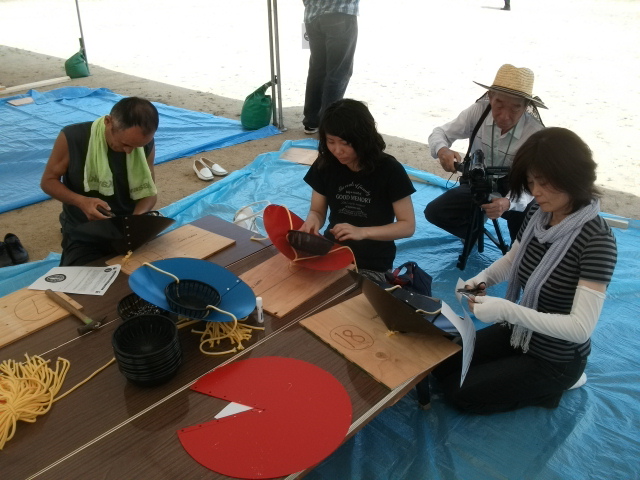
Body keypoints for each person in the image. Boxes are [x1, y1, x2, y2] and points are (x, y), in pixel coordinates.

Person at [432, 127, 618, 414]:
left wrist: (507, 311)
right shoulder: (538, 212)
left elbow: (579, 329)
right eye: (531, 182)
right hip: (521, 332)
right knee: (441, 365)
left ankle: (555, 388)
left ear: (572, 177)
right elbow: (513, 260)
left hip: (555, 357)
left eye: (543, 183)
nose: (536, 192)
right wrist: (482, 279)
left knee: (459, 393)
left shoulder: (597, 241)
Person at [424, 64, 546, 243]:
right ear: (490, 96)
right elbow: (439, 133)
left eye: (515, 108)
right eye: (499, 104)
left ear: (526, 105)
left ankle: (517, 252)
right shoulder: (478, 112)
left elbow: (533, 183)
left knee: (526, 228)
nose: (504, 116)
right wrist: (443, 150)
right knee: (434, 212)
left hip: (515, 186)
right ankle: (473, 232)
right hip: (477, 181)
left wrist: (507, 203)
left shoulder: (535, 133)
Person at [301, 99, 416, 282]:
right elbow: (317, 210)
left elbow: (407, 225)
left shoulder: (389, 170)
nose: (337, 150)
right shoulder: (325, 164)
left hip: (372, 262)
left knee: (350, 294)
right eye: (331, 141)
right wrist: (312, 222)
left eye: (345, 143)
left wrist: (362, 232)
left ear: (363, 138)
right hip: (333, 251)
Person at [41, 97, 159, 266]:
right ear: (108, 122)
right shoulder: (73, 137)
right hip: (85, 229)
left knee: (154, 269)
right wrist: (81, 202)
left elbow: (150, 192)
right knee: (83, 277)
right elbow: (48, 181)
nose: (129, 152)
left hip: (128, 227)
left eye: (137, 147)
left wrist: (136, 220)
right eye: (125, 144)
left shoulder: (144, 143)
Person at [302, 0, 359, 134]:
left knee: (317, 70)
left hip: (312, 16)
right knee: (338, 72)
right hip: (340, 13)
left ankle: (311, 121)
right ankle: (329, 124)